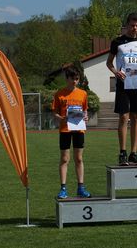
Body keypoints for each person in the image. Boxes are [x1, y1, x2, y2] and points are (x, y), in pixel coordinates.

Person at [106, 12, 137, 166]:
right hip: (123, 84)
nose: (134, 28)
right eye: (132, 25)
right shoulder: (117, 42)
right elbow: (109, 62)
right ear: (127, 25)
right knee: (124, 117)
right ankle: (122, 152)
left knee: (136, 117)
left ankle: (133, 153)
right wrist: (116, 72)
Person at [52, 66, 91, 199]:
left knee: (79, 158)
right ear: (67, 79)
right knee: (64, 159)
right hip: (65, 130)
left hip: (79, 129)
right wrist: (61, 118)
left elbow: (85, 110)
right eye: (72, 79)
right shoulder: (60, 94)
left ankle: (81, 187)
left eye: (77, 79)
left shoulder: (83, 93)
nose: (74, 81)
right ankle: (63, 188)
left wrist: (86, 117)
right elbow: (55, 112)